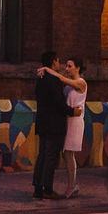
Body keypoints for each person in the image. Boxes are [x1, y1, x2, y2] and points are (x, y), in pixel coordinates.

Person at [38, 57, 88, 198]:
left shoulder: (81, 83)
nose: (66, 69)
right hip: (67, 120)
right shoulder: (67, 87)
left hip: (76, 122)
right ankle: (73, 184)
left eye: (70, 66)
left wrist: (47, 69)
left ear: (77, 68)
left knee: (68, 153)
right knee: (66, 153)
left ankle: (71, 186)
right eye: (66, 66)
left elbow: (61, 78)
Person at [32, 49, 70, 201]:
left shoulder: (41, 79)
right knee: (51, 157)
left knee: (42, 155)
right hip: (54, 124)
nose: (59, 64)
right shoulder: (53, 81)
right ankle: (47, 188)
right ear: (54, 62)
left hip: (42, 123)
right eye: (58, 61)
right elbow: (59, 103)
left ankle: (37, 188)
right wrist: (71, 111)